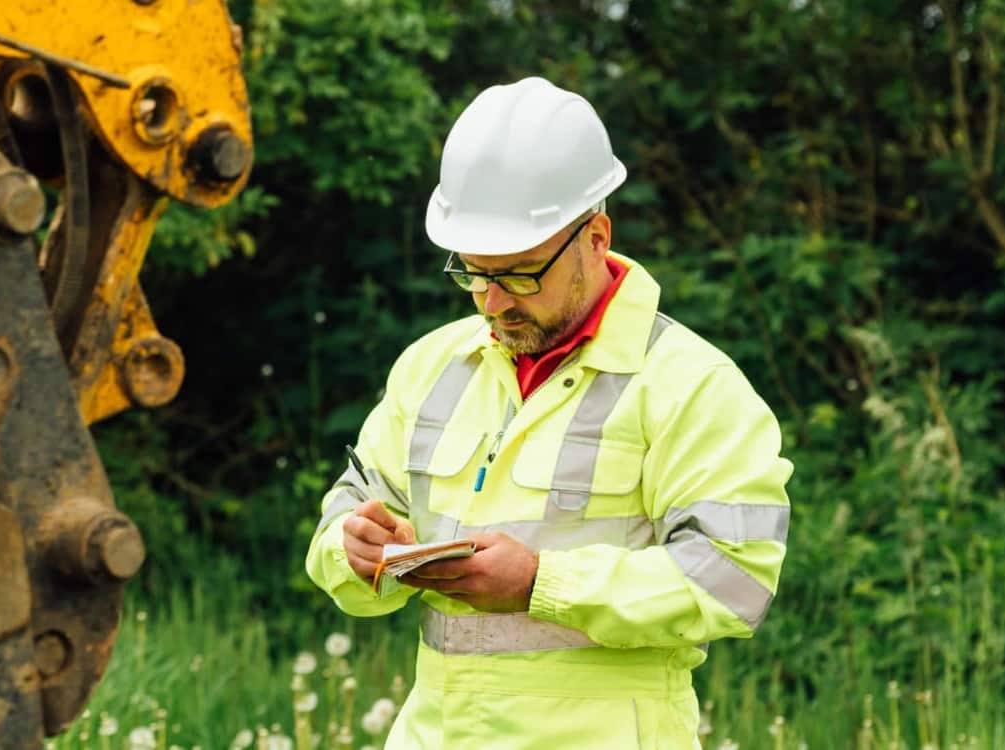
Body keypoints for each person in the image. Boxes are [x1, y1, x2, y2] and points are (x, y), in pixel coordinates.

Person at [303, 77, 793, 748]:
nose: (494, 302)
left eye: (522, 274)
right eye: (475, 272)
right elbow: (346, 512)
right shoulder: (431, 366)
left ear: (596, 236)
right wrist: (351, 550)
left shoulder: (690, 385)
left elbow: (735, 579)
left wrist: (541, 583)